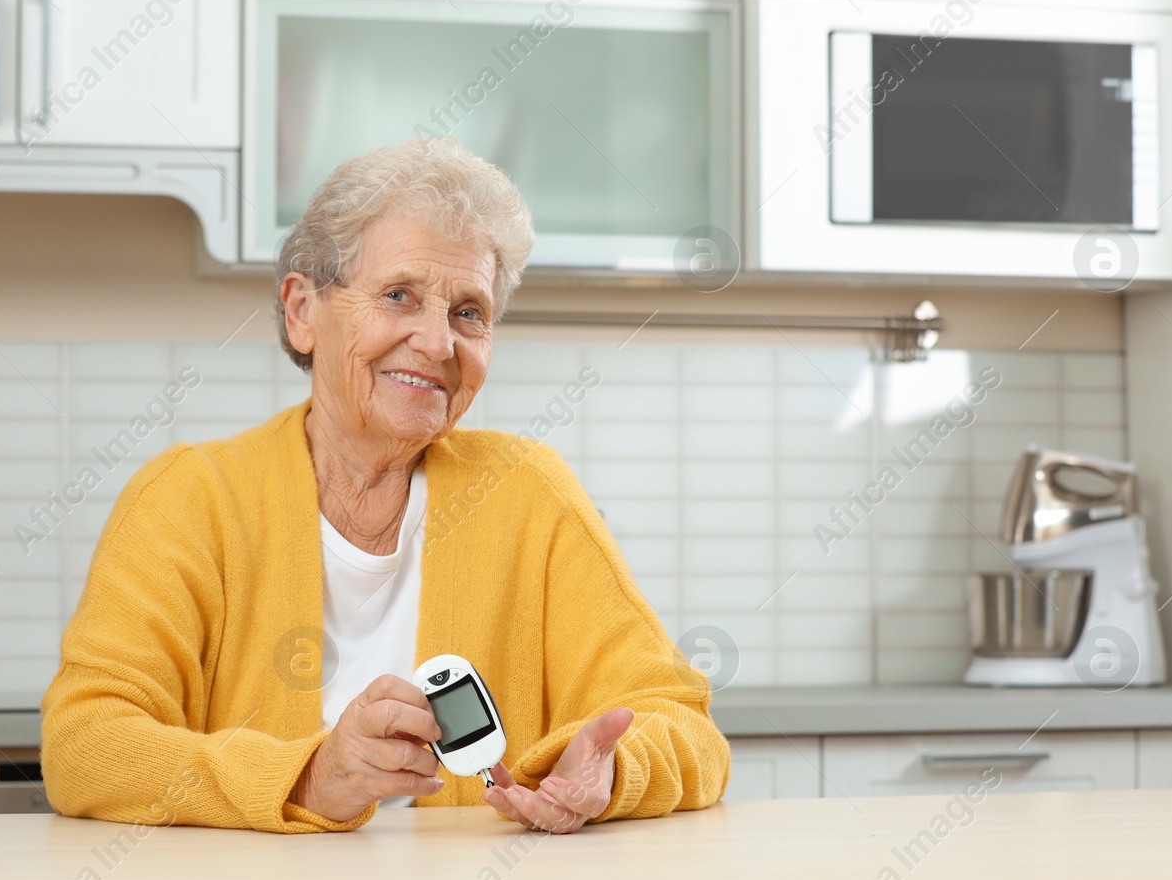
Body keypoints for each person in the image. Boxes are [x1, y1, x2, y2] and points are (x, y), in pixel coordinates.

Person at [41, 138, 730, 833]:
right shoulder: (190, 499)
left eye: (469, 312)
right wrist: (308, 778)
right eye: (399, 296)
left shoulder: (528, 494)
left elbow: (683, 726)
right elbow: (86, 743)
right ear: (303, 311)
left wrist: (611, 773)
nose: (438, 343)